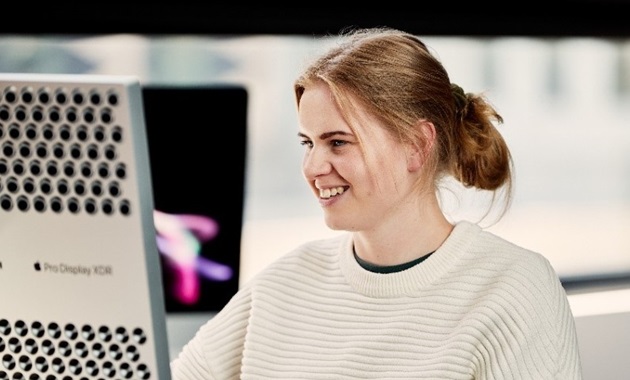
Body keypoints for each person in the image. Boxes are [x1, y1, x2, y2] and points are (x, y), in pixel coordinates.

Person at [170, 26, 583, 379]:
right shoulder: (282, 285)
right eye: (307, 143)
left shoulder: (513, 290)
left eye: (337, 142)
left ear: (416, 146)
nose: (313, 166)